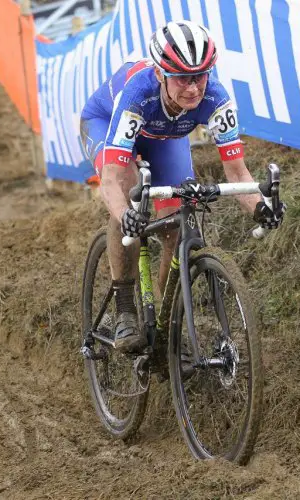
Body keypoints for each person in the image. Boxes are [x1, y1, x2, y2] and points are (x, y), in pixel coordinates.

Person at [79, 20, 285, 353]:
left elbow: (237, 173)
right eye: (182, 79)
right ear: (160, 74)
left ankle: (164, 318)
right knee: (130, 197)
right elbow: (112, 179)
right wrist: (124, 213)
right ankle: (126, 308)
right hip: (105, 124)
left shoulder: (216, 99)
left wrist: (261, 207)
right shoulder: (137, 93)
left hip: (164, 137)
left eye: (200, 76)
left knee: (177, 224)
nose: (193, 89)